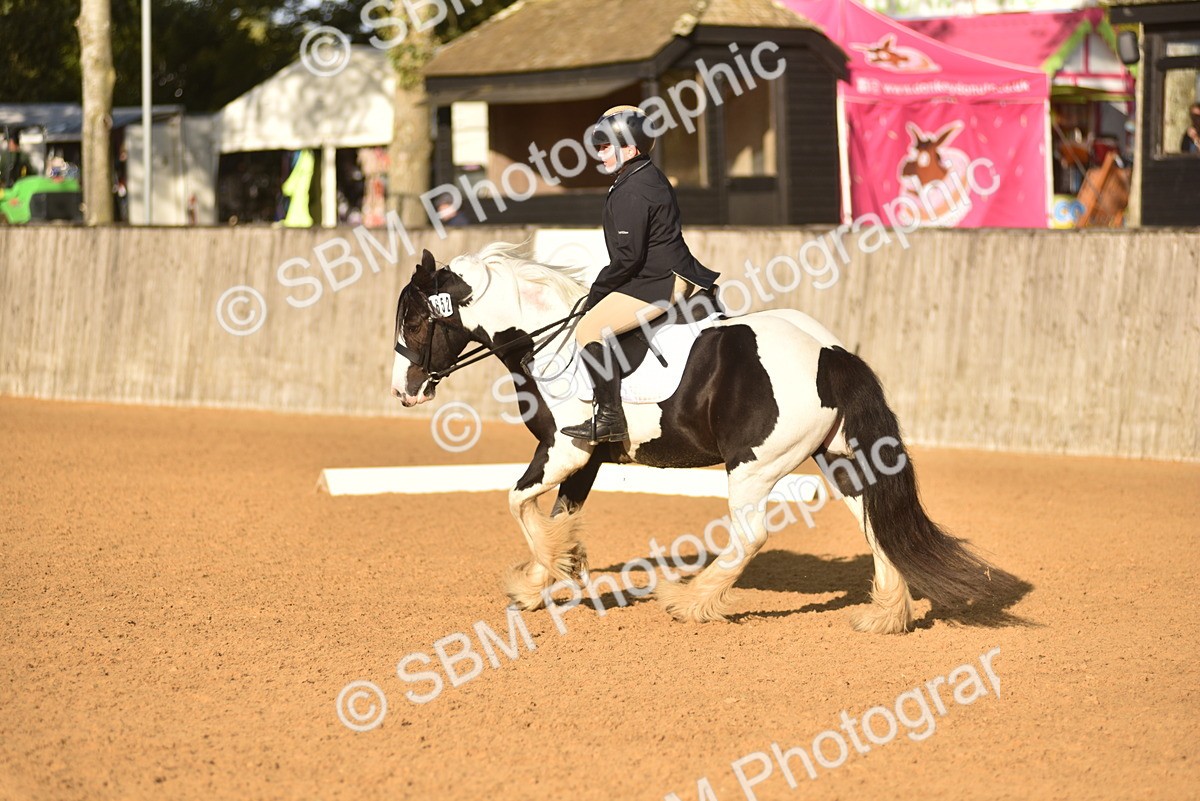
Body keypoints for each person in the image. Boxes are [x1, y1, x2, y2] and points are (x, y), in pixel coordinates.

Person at [560, 105, 720, 445]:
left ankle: (609, 418)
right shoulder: (644, 174)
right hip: (663, 272)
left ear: (629, 149)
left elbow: (627, 259)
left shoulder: (633, 189)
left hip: (658, 281)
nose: (600, 153)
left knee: (589, 329)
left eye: (605, 146)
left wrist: (595, 294)